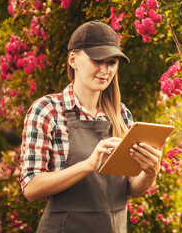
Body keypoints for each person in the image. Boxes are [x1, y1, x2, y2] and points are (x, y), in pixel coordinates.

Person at [19, 20, 163, 233]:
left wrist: (150, 172)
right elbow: (31, 188)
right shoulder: (47, 110)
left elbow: (131, 188)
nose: (105, 70)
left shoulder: (122, 115)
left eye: (112, 62)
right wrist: (89, 164)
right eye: (97, 60)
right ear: (73, 59)